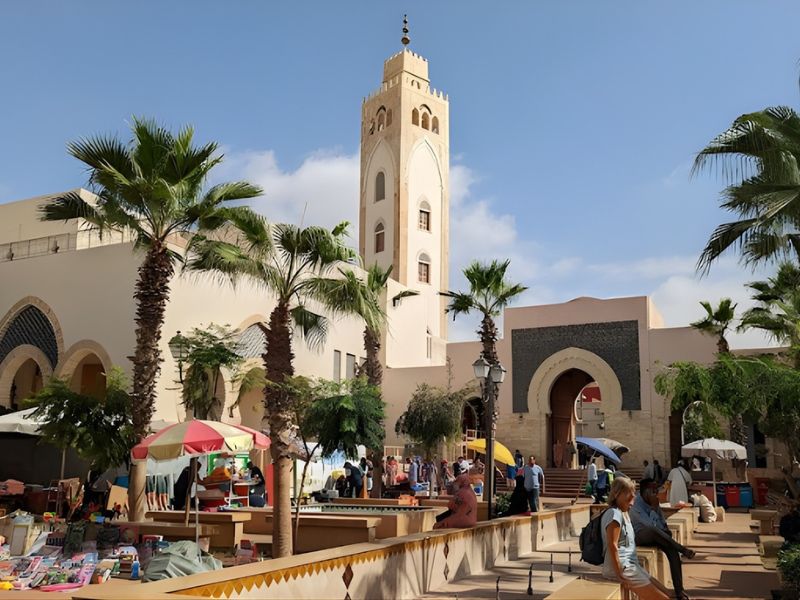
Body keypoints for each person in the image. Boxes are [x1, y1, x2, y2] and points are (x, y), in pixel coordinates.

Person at [601, 477, 672, 600]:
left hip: (632, 566)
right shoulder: (614, 514)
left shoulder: (623, 513)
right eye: (629, 497)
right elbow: (612, 545)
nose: (632, 502)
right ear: (618, 494)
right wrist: (619, 574)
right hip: (624, 569)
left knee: (668, 594)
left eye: (633, 497)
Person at [630, 478, 696, 600]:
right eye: (653, 491)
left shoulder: (654, 501)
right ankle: (682, 549)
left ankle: (679, 591)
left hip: (657, 535)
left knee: (672, 552)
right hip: (640, 536)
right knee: (653, 531)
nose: (656, 493)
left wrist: (665, 529)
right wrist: (654, 509)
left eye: (656, 490)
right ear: (645, 492)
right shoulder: (636, 505)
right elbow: (649, 524)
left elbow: (661, 522)